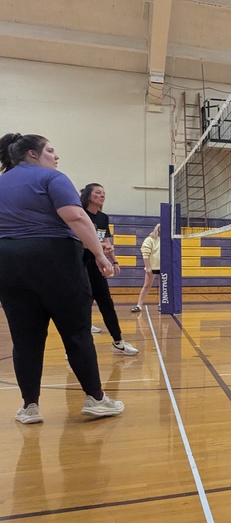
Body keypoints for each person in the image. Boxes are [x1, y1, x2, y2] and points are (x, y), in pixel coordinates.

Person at [0, 132, 125, 423]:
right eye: (50, 151)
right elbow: (76, 217)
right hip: (54, 258)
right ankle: (96, 399)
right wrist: (100, 254)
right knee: (76, 332)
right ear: (32, 154)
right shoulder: (52, 178)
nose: (56, 157)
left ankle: (30, 407)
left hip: (8, 261)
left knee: (25, 338)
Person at [79, 183, 138, 355]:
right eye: (98, 192)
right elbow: (81, 241)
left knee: (107, 304)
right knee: (81, 306)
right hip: (80, 266)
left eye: (104, 193)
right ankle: (76, 348)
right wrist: (100, 247)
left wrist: (114, 260)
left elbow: (106, 242)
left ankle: (118, 341)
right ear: (89, 195)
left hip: (97, 267)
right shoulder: (80, 215)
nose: (102, 195)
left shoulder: (103, 218)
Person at [131, 223, 161, 313]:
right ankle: (139, 305)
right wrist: (148, 267)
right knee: (147, 285)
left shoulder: (167, 240)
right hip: (153, 266)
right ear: (157, 229)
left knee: (163, 287)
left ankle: (161, 305)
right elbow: (145, 254)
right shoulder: (150, 239)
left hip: (165, 267)